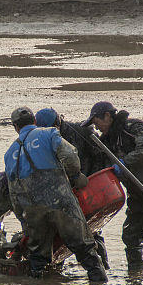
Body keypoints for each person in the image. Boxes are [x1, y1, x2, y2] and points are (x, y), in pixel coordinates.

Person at [4, 107, 107, 281]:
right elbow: (70, 154)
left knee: (38, 255)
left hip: (31, 210)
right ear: (34, 121)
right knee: (84, 247)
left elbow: (13, 191)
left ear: (15, 127)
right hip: (60, 201)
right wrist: (75, 176)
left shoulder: (9, 153)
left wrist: (24, 219)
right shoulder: (49, 133)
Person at [82, 101, 143, 273]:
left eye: (96, 122)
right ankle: (135, 279)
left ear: (107, 116)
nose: (96, 128)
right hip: (137, 197)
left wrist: (124, 163)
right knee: (130, 238)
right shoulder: (107, 141)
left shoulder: (133, 127)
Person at [35, 107, 110, 269]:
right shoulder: (42, 139)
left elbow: (102, 155)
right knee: (62, 232)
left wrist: (92, 178)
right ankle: (57, 269)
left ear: (58, 123)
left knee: (90, 230)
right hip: (65, 190)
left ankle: (103, 267)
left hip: (88, 184)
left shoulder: (80, 131)